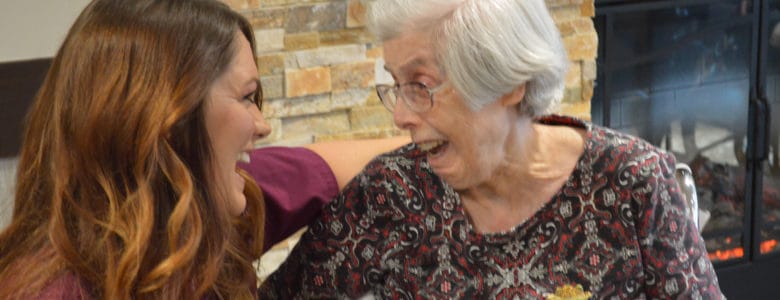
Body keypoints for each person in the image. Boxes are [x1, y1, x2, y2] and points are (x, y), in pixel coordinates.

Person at [259, 0, 725, 298]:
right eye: (395, 85)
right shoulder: (389, 193)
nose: (400, 115)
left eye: (420, 85)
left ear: (509, 82)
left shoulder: (633, 181)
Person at [0, 0, 407, 299]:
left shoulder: (204, 202)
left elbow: (329, 168)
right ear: (170, 118)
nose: (263, 125)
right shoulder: (52, 290)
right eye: (247, 97)